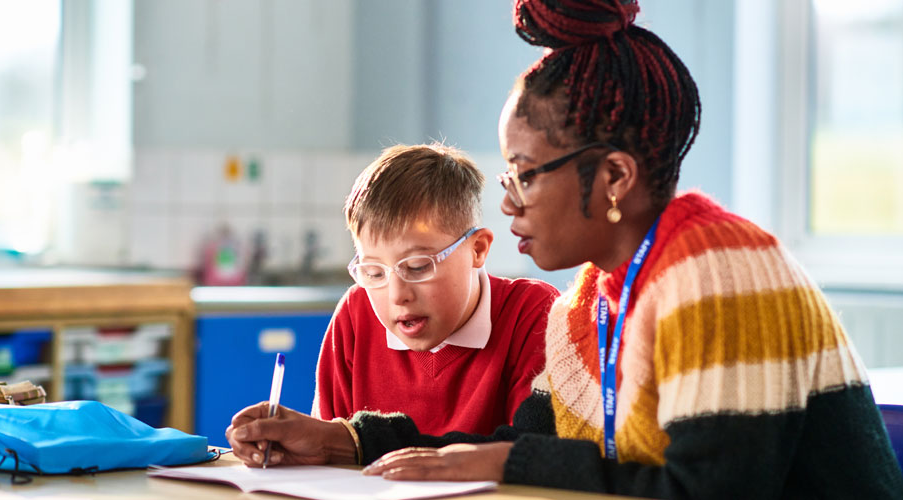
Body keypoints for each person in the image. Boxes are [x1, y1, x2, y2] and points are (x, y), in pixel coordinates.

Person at [227, 1, 903, 498]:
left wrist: (503, 463)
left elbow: (705, 492)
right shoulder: (590, 300)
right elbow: (525, 446)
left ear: (612, 178)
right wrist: (343, 439)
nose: (510, 200)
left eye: (525, 173)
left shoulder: (717, 273)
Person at [308, 143, 558, 436]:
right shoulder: (356, 314)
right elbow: (328, 449)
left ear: (477, 249)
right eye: (374, 272)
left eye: (417, 267)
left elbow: (529, 455)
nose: (396, 295)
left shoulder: (532, 313)